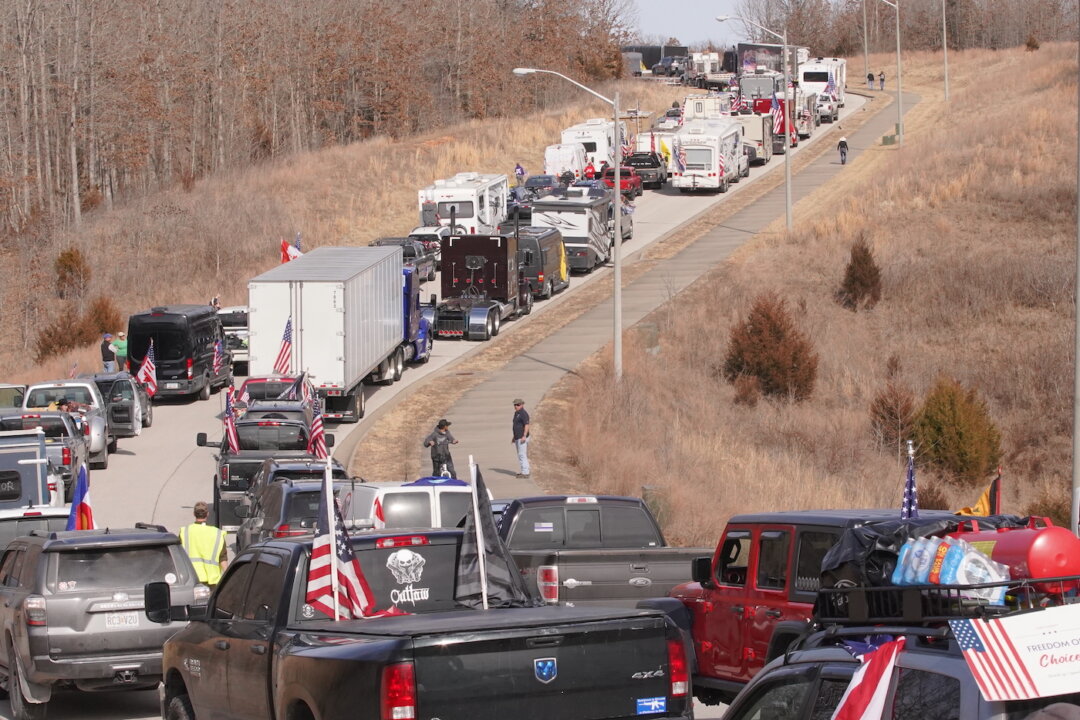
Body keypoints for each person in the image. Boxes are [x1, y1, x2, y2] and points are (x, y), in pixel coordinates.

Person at [180, 501, 228, 587]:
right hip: (212, 581)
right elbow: (222, 558)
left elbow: (178, 554)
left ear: (194, 514)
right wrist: (228, 577)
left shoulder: (184, 532)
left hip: (191, 579)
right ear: (208, 514)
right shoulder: (217, 533)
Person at [512, 398, 530, 479]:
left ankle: (525, 472)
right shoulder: (517, 413)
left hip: (521, 437)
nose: (516, 406)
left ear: (522, 404)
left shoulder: (523, 413)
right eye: (515, 405)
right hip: (517, 437)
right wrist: (514, 437)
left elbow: (526, 425)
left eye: (518, 405)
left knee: (522, 455)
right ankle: (525, 471)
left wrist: (524, 435)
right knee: (521, 455)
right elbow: (516, 426)